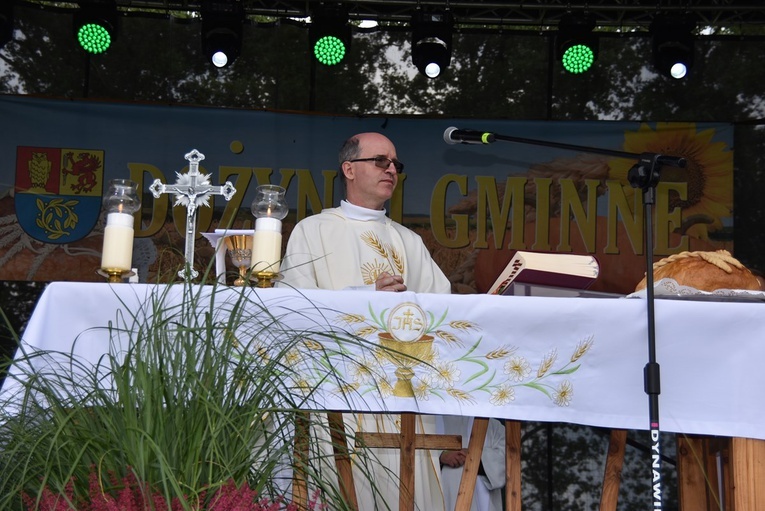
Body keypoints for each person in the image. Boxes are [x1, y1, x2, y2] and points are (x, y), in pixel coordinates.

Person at [280, 132, 451, 510]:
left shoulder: (409, 241)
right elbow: (293, 306)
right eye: (380, 161)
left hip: (401, 399)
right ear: (349, 169)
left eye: (395, 164)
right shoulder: (314, 230)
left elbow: (444, 310)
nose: (391, 169)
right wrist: (364, 296)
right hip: (336, 393)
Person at [438, 416, 506, 511]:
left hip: (479, 498)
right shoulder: (428, 422)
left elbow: (506, 458)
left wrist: (474, 455)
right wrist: (441, 456)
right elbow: (414, 453)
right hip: (443, 495)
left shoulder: (492, 425)